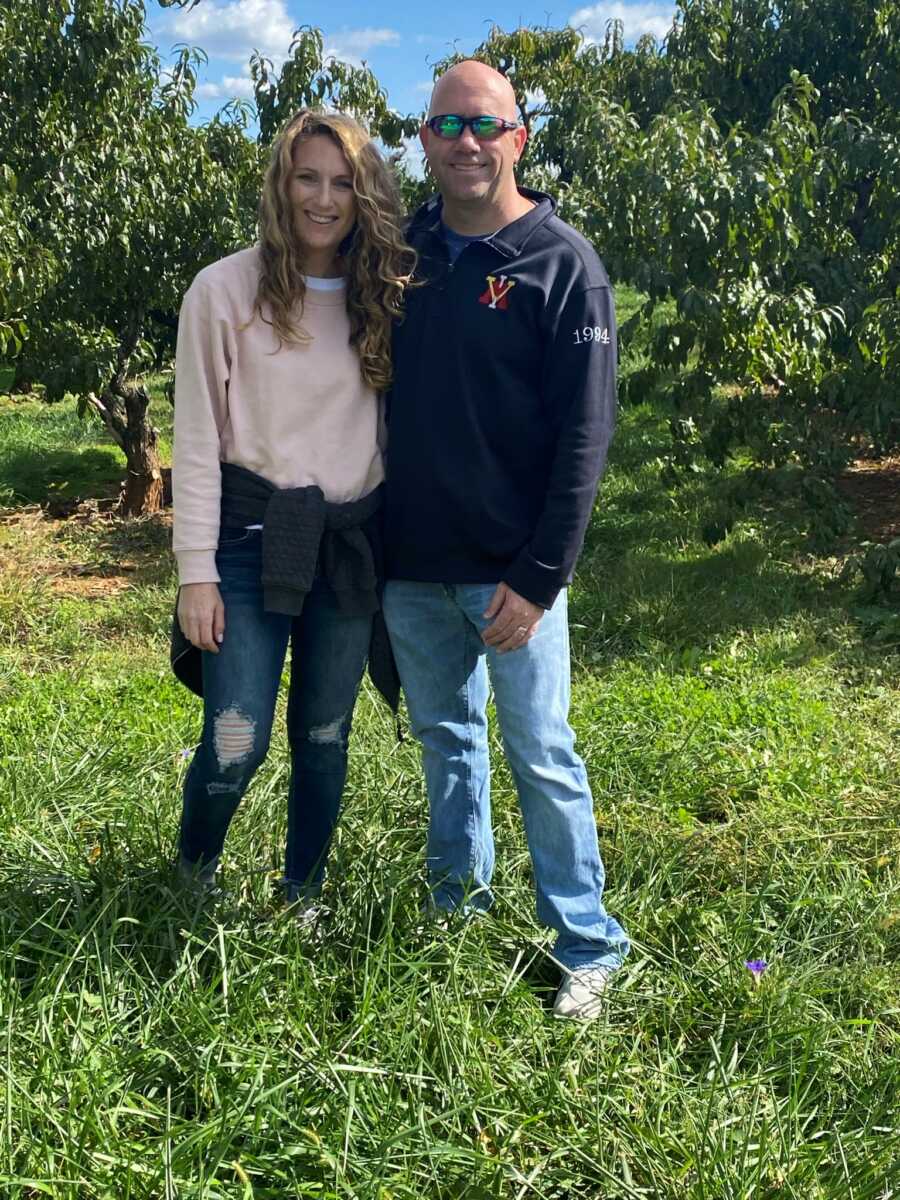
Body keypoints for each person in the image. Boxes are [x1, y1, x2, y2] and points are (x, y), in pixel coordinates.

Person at [382, 61, 630, 1019]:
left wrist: (539, 576)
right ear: (425, 139)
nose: (466, 142)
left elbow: (584, 439)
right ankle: (459, 911)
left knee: (541, 750)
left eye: (485, 125)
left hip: (512, 576)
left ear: (520, 137)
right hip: (412, 568)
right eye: (447, 124)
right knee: (446, 743)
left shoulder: (562, 264)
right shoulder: (402, 255)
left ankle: (587, 944)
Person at [170, 109, 413, 916]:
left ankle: (302, 890)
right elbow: (198, 438)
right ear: (281, 184)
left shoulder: (381, 292)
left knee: (322, 736)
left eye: (344, 182)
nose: (324, 198)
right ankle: (192, 868)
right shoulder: (224, 290)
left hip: (345, 545)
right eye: (307, 177)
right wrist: (194, 572)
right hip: (247, 541)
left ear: (364, 193)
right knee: (235, 737)